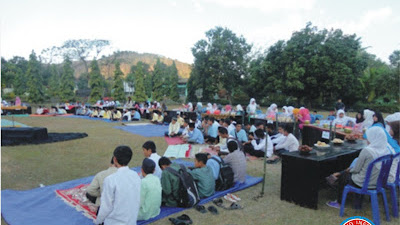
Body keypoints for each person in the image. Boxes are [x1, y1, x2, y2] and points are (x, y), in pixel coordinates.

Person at [326, 127, 389, 209]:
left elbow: (356, 170)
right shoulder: (385, 149)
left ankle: (339, 202)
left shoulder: (367, 151)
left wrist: (348, 170)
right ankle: (356, 202)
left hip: (364, 182)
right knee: (346, 173)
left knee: (344, 176)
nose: (367, 139)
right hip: (378, 181)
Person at [95, 146, 141, 225]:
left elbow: (106, 207)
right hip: (131, 221)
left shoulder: (110, 180)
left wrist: (98, 221)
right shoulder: (136, 176)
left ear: (114, 159)